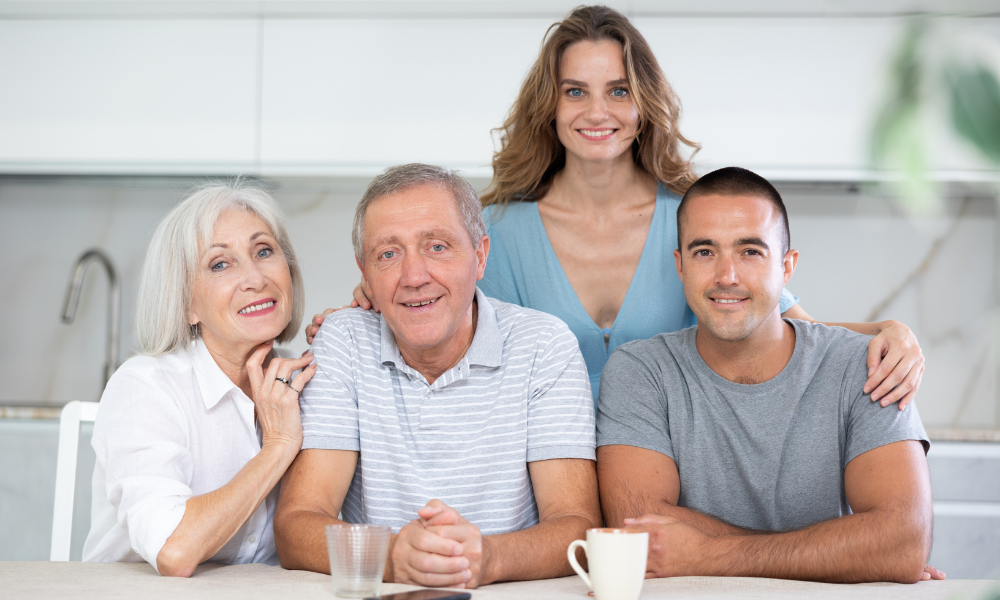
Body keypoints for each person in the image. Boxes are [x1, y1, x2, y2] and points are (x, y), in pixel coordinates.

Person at [306, 5, 925, 409]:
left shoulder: (692, 219)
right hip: (540, 482)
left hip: (673, 474)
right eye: (576, 91)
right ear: (551, 106)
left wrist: (887, 332)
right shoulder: (497, 230)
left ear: (643, 105)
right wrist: (365, 306)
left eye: (618, 91)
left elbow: (788, 329)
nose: (596, 113)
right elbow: (424, 312)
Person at [596, 167, 938, 583]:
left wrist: (709, 555)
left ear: (787, 266)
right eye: (704, 251)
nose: (727, 276)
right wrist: (848, 550)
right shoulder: (641, 372)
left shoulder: (863, 367)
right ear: (680, 265)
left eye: (750, 251)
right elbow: (643, 532)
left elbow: (901, 542)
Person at [274, 164, 601, 589]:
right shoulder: (343, 341)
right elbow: (295, 526)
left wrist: (487, 558)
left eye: (437, 247)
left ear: (480, 256)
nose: (414, 277)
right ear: (365, 272)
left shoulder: (544, 345)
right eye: (388, 254)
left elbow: (577, 525)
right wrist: (394, 557)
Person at [83, 183, 316, 577]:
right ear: (187, 303)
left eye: (264, 252)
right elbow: (175, 548)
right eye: (220, 264)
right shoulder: (146, 386)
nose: (256, 278)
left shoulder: (307, 377)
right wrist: (277, 447)